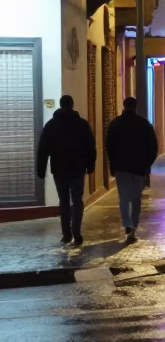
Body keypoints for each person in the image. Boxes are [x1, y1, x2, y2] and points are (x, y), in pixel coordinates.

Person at [35, 94, 97, 246]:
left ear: (60, 105)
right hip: (77, 169)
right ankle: (76, 232)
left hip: (59, 170)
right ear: (72, 105)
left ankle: (66, 234)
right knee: (77, 201)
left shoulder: (51, 125)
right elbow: (90, 147)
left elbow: (43, 149)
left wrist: (41, 170)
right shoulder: (82, 124)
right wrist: (90, 166)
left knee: (63, 201)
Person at [105, 97, 159, 243]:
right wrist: (146, 165)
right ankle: (133, 229)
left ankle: (127, 223)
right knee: (136, 199)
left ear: (124, 106)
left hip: (121, 167)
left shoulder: (115, 124)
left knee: (124, 198)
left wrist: (112, 165)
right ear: (135, 106)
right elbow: (153, 148)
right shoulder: (144, 124)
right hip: (139, 168)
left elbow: (109, 147)